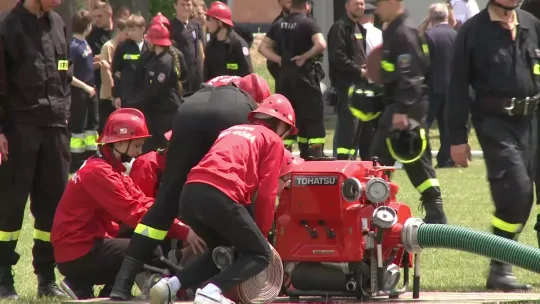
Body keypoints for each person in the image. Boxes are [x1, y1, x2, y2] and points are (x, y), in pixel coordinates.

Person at [109, 73, 271, 300]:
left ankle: (122, 284)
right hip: (228, 115)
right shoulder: (247, 105)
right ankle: (220, 283)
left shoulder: (221, 83)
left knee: (165, 203)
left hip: (188, 111)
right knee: (233, 197)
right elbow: (255, 185)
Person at [148, 94, 297, 304]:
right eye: (288, 130)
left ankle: (170, 286)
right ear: (281, 125)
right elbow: (266, 194)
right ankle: (211, 292)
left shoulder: (230, 131)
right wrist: (261, 237)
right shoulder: (272, 141)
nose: (286, 136)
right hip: (219, 195)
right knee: (261, 254)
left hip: (190, 195)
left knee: (221, 250)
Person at [51, 108, 203, 300]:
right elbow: (135, 211)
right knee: (147, 247)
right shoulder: (100, 172)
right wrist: (182, 231)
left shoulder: (109, 168)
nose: (140, 152)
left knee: (142, 242)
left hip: (82, 245)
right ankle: (94, 284)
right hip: (79, 250)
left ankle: (84, 285)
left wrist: (176, 223)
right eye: (137, 145)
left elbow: (141, 199)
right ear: (121, 142)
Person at [447, 0, 539, 291]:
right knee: (516, 192)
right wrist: (457, 138)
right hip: (495, 123)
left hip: (535, 120)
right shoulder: (473, 32)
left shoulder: (531, 24)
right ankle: (500, 268)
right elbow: (458, 86)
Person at [0, 0, 72, 298]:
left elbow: (66, 75)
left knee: (52, 208)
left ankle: (46, 276)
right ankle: (3, 278)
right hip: (19, 130)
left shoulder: (58, 24)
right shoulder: (8, 28)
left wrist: (65, 115)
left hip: (55, 129)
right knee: (9, 210)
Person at [372, 0, 447, 225]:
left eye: (378, 3)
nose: (376, 8)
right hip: (402, 104)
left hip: (405, 106)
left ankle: (375, 207)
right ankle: (435, 211)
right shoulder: (394, 30)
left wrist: (402, 110)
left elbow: (411, 75)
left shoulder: (403, 33)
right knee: (414, 158)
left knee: (378, 157)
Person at [259, 0, 327, 158]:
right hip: (306, 81)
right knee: (312, 122)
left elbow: (262, 47)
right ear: (306, 6)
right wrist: (304, 57)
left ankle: (284, 159)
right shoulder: (309, 24)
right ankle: (313, 157)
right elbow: (321, 44)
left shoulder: (279, 24)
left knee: (286, 120)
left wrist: (279, 59)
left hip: (284, 82)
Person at [328, 0, 371, 161]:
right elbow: (337, 57)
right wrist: (360, 70)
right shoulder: (340, 27)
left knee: (361, 127)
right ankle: (343, 161)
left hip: (361, 85)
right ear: (346, 6)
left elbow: (358, 55)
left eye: (362, 4)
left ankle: (359, 160)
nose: (360, 7)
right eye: (356, 4)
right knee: (348, 127)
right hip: (347, 86)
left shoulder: (358, 27)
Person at [133, 22, 183, 153]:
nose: (147, 42)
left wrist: (136, 102)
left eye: (149, 39)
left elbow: (156, 87)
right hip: (155, 110)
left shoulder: (165, 61)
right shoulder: (154, 58)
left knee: (166, 148)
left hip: (166, 111)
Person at [424, 3, 457, 169]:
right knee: (446, 127)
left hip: (431, 87)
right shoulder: (456, 35)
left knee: (424, 125)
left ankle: (425, 160)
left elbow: (424, 63)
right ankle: (445, 159)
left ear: (431, 18)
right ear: (446, 16)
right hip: (451, 88)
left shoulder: (428, 36)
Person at [69, 10, 100, 173]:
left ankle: (91, 157)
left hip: (90, 92)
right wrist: (85, 87)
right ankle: (76, 161)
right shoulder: (72, 47)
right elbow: (66, 74)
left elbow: (85, 67)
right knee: (78, 130)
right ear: (87, 26)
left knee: (91, 128)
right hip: (80, 93)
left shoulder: (85, 43)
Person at [203, 1, 253, 81]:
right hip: (215, 92)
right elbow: (206, 77)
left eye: (209, 19)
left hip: (235, 92)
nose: (206, 24)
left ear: (220, 22)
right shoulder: (210, 47)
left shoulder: (238, 44)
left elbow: (248, 76)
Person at [112, 14, 149, 108]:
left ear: (142, 29)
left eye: (133, 30)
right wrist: (117, 96)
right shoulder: (123, 47)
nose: (130, 33)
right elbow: (115, 71)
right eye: (128, 30)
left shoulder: (149, 47)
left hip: (146, 97)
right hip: (127, 96)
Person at [99, 18, 129, 133]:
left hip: (120, 95)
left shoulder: (126, 47)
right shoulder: (109, 47)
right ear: (119, 31)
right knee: (107, 128)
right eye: (126, 33)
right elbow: (106, 72)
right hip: (108, 96)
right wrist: (112, 95)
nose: (128, 36)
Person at [171, 0, 205, 94]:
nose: (186, 7)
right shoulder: (170, 26)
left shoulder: (196, 25)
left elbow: (200, 51)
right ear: (175, 6)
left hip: (195, 74)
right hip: (180, 74)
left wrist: (202, 72)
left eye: (188, 5)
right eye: (182, 5)